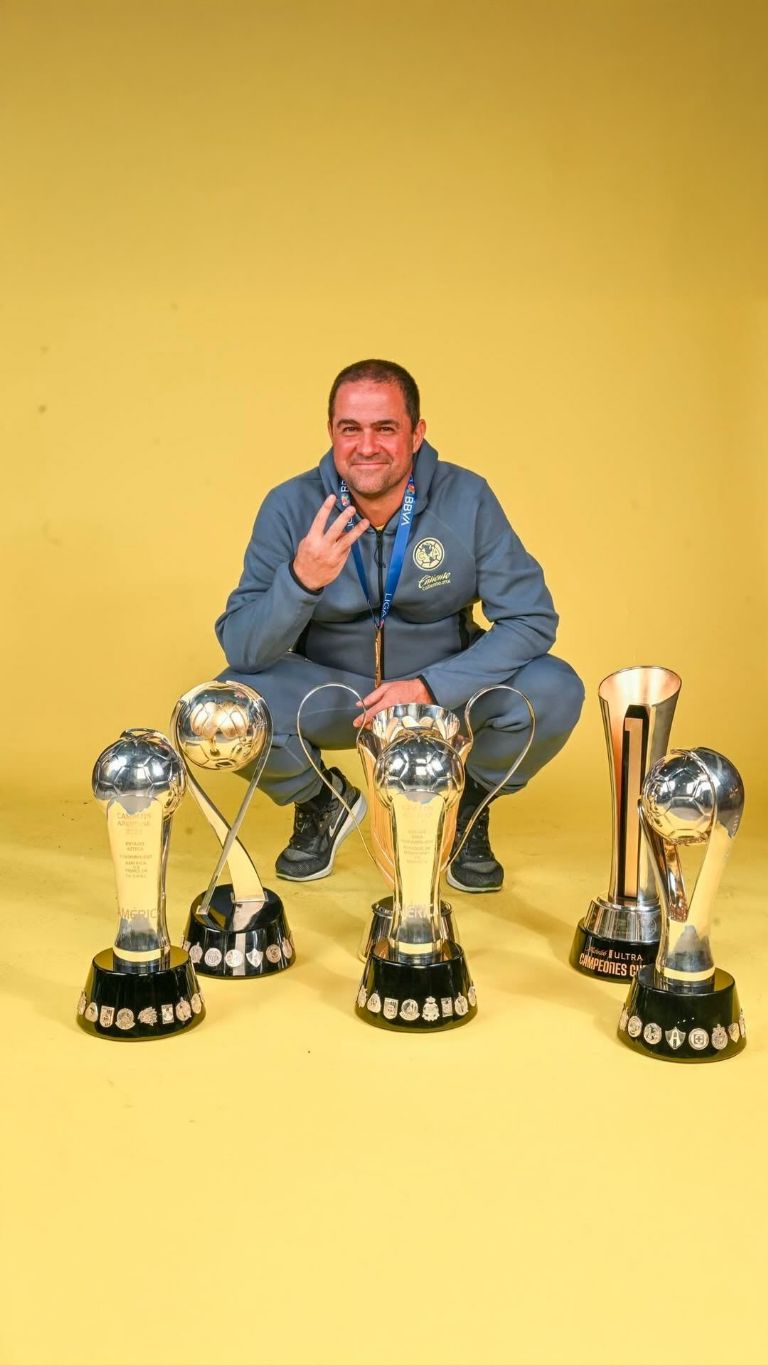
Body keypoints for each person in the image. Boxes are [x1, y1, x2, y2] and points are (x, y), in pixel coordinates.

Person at [215, 359, 584, 892]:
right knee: (223, 708)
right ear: (332, 433)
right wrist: (302, 580)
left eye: (385, 428)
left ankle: (468, 806)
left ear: (416, 434)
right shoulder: (289, 505)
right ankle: (322, 801)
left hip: (443, 698)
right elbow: (242, 647)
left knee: (554, 688)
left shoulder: (467, 498)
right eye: (351, 429)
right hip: (341, 698)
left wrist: (432, 688)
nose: (367, 446)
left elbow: (531, 619)